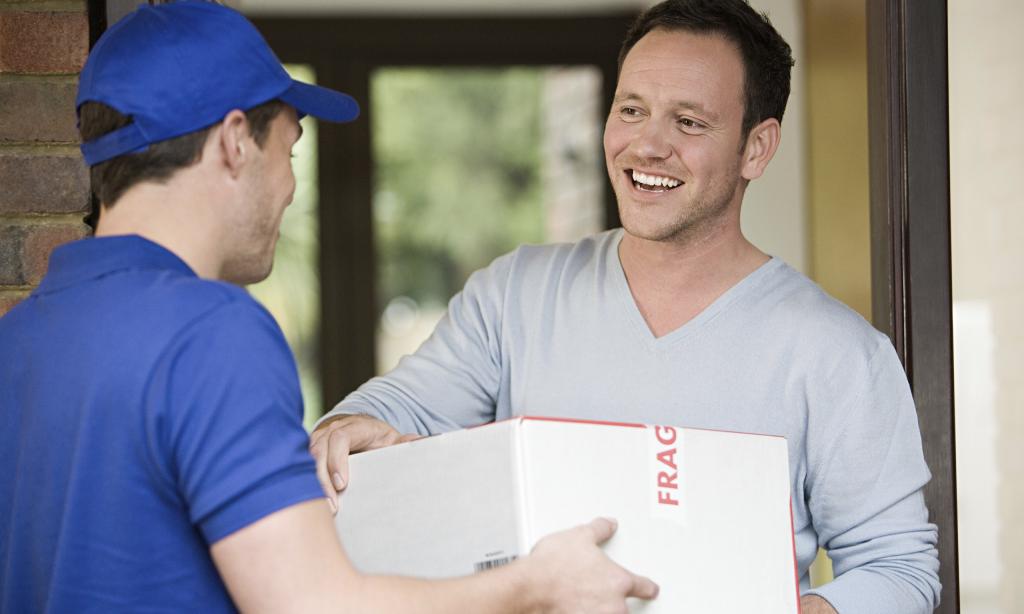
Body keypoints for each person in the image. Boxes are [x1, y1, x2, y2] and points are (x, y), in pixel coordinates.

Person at [0, 3, 660, 613]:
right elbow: (317, 605)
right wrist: (536, 584)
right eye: (290, 150)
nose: (289, 188)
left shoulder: (20, 337)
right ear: (235, 141)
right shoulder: (211, 330)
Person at [311, 0, 942, 612]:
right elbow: (397, 410)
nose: (647, 145)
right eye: (632, 109)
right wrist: (348, 428)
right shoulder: (515, 295)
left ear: (757, 147)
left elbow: (899, 567)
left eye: (689, 122)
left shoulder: (837, 352)